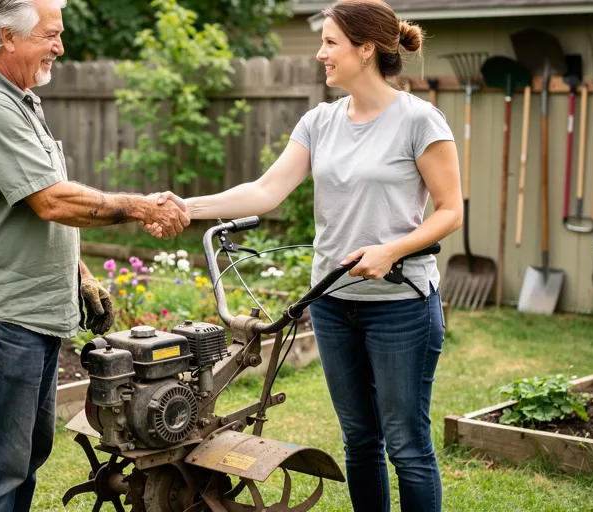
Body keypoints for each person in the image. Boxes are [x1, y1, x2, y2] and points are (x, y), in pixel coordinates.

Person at [159, 1, 463, 510]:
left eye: (330, 43)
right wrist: (183, 206)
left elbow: (450, 210)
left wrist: (392, 249)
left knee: (407, 446)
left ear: (366, 50)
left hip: (400, 306)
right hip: (331, 303)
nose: (320, 53)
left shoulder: (419, 120)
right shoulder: (320, 122)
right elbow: (265, 191)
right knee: (360, 443)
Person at [0, 0, 190, 510]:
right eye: (50, 35)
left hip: (32, 311)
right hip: (2, 312)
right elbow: (51, 200)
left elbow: (27, 203)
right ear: (8, 37)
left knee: (27, 452)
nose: (60, 46)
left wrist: (81, 275)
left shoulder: (19, 99)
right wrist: (139, 207)